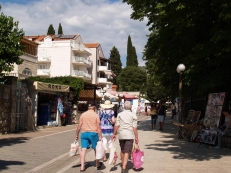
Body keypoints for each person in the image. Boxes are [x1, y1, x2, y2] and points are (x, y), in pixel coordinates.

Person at [112, 101, 139, 173]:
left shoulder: (120, 115)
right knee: (127, 151)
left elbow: (117, 125)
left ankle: (122, 163)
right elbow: (134, 128)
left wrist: (114, 134)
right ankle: (124, 168)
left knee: (123, 150)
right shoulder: (133, 115)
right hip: (129, 135)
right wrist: (136, 137)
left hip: (121, 135)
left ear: (124, 107)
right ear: (130, 107)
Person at [75, 103, 103, 172]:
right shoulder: (96, 115)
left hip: (84, 133)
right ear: (94, 107)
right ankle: (97, 164)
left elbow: (79, 125)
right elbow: (98, 127)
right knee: (96, 149)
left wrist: (77, 134)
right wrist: (100, 136)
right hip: (93, 133)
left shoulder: (83, 114)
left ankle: (82, 167)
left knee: (83, 150)